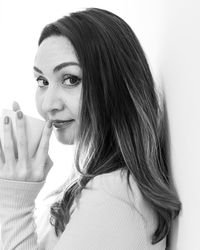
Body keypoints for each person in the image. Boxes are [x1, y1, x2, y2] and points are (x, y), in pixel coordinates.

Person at [0, 7, 181, 250]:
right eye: (42, 81)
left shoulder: (115, 197)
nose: (47, 104)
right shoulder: (94, 184)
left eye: (70, 79)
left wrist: (16, 199)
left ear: (115, 85)